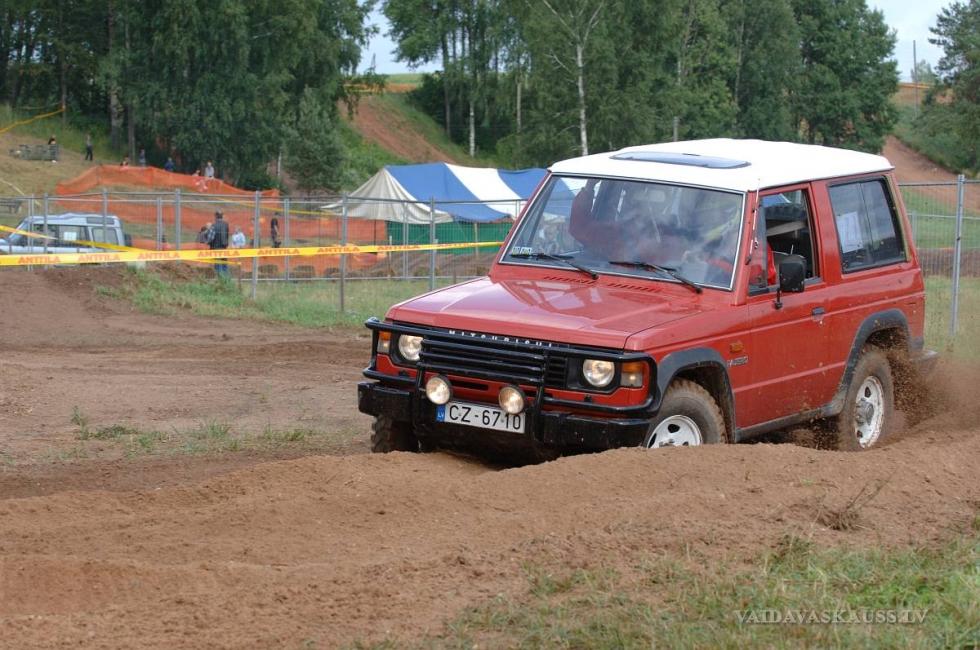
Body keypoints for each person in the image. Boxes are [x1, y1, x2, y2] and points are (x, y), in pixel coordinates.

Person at [210, 211, 230, 277]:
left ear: (216, 216)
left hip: (216, 247)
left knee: (218, 265)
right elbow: (227, 236)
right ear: (222, 216)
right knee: (224, 264)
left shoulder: (214, 225)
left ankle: (220, 279)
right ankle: (226, 279)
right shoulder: (226, 224)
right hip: (224, 247)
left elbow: (211, 238)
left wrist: (207, 242)